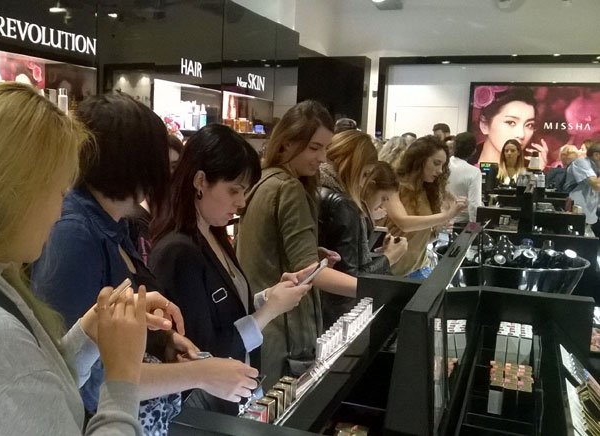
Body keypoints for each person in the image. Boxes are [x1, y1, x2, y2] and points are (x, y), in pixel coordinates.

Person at [0, 82, 150, 434]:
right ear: (16, 195)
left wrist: (89, 333)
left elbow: (29, 392)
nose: (60, 211)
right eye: (59, 191)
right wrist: (123, 376)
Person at [31, 93, 258, 434]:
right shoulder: (75, 234)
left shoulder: (117, 222)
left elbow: (110, 335)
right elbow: (85, 376)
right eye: (162, 163)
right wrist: (201, 374)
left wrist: (161, 342)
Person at [149, 124, 313, 413]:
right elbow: (203, 351)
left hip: (234, 394)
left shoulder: (213, 234)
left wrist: (269, 296)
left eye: (245, 191)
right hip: (205, 408)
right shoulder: (179, 251)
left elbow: (227, 310)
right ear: (200, 181)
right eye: (234, 190)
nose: (242, 201)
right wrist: (269, 311)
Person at [235, 100, 361, 386]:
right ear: (286, 143)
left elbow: (266, 245)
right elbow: (306, 271)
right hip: (285, 335)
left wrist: (311, 253)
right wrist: (371, 289)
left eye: (326, 148)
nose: (322, 158)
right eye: (314, 148)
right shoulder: (289, 188)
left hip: (261, 327)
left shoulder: (263, 180)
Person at [318, 131, 407, 326]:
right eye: (365, 173)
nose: (362, 182)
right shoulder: (342, 204)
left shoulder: (320, 191)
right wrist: (389, 257)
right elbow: (350, 279)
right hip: (338, 317)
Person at [382, 136, 467, 278]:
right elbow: (404, 224)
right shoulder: (393, 185)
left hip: (417, 268)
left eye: (442, 166)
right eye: (436, 163)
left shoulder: (426, 190)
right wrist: (446, 216)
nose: (440, 170)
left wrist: (436, 230)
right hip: (390, 272)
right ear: (419, 160)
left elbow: (417, 238)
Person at [130, 134, 185, 265]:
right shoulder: (134, 218)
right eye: (162, 167)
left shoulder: (183, 213)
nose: (168, 174)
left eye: (174, 167)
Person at [472, 86, 548, 167]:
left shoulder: (530, 169)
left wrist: (538, 173)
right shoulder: (464, 163)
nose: (521, 134)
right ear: (485, 125)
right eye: (511, 122)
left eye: (529, 125)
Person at [565, 141, 600, 236]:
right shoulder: (581, 162)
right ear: (597, 155)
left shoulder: (596, 168)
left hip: (589, 221)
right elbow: (597, 185)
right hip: (574, 219)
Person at [446, 132, 482, 223]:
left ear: (453, 147)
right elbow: (474, 205)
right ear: (474, 150)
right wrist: (473, 230)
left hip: (439, 219)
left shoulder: (442, 165)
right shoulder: (474, 172)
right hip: (461, 223)